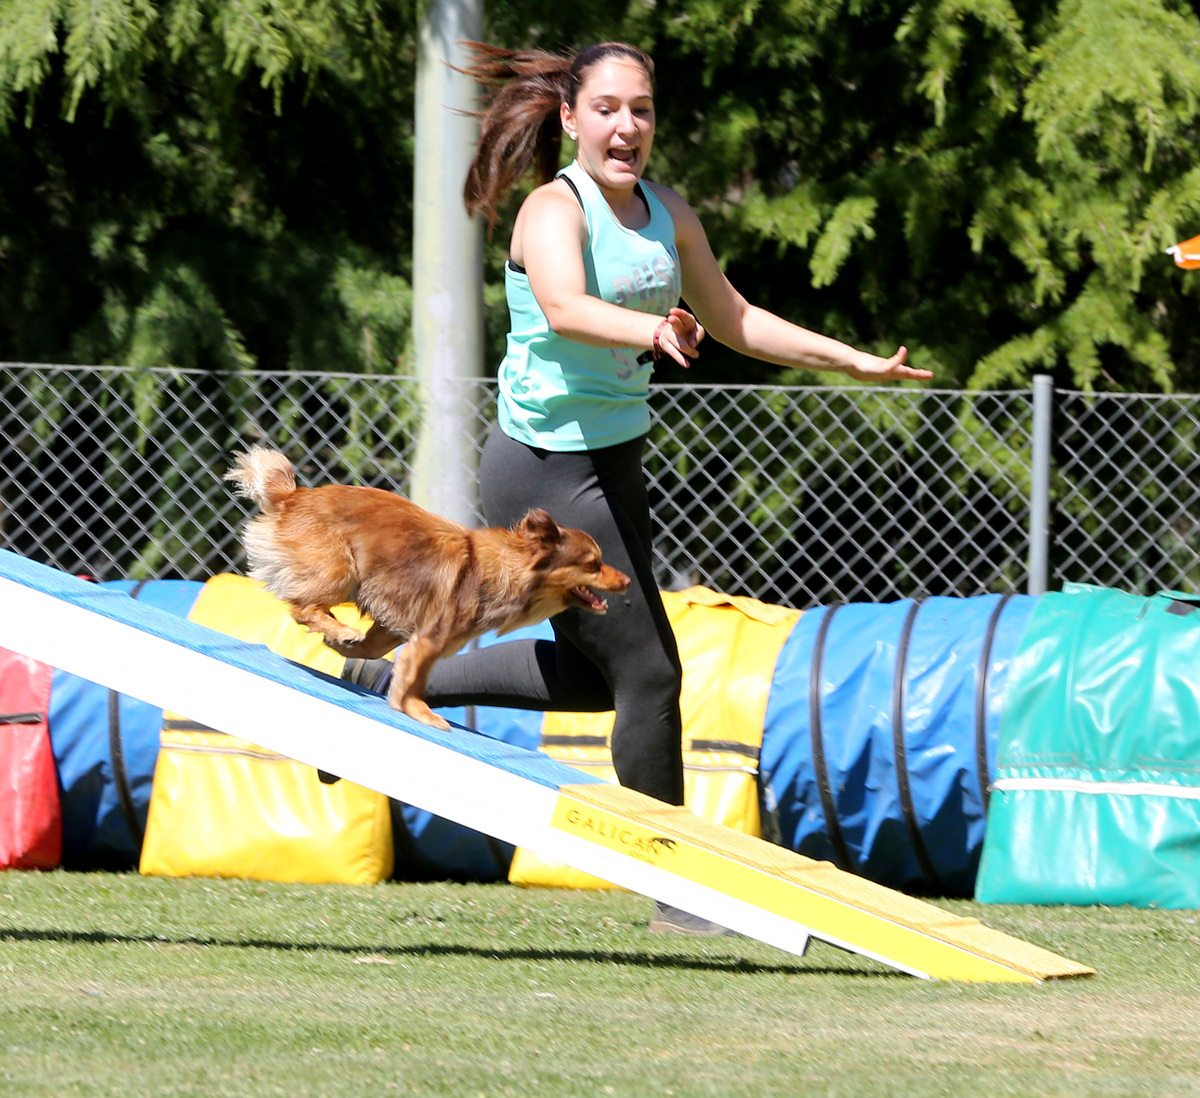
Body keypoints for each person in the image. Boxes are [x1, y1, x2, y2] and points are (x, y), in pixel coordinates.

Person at [346, 40, 932, 934]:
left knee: (601, 680)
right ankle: (681, 893)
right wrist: (653, 331)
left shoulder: (668, 212)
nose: (629, 126)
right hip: (542, 470)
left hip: (615, 467)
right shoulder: (552, 210)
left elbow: (734, 317)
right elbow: (567, 307)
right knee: (652, 673)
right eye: (610, 108)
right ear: (571, 119)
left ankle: (388, 673)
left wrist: (846, 358)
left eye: (644, 110)